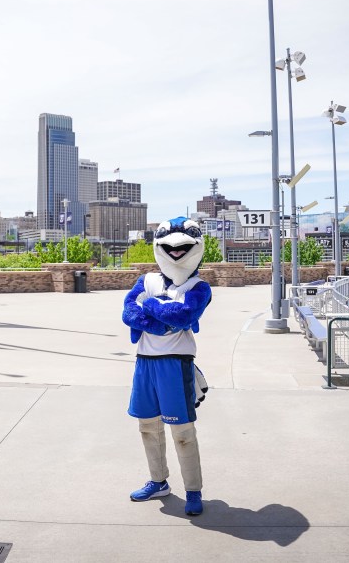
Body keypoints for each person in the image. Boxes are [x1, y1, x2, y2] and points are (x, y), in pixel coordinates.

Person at [121, 217, 212, 517]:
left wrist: (151, 305)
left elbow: (184, 314)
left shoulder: (199, 286)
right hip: (145, 363)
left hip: (176, 365)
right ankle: (158, 481)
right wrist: (161, 321)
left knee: (182, 431)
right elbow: (128, 312)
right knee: (148, 427)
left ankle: (193, 491)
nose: (175, 249)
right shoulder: (147, 280)